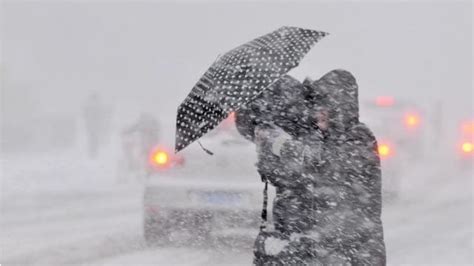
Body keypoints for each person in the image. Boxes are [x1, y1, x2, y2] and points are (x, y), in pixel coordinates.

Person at [238, 70, 386, 265]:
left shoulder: (358, 137)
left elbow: (322, 166)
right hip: (311, 247)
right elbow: (290, 177)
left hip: (349, 250)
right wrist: (267, 149)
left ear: (342, 108)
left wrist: (281, 145)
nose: (320, 114)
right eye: (317, 108)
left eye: (326, 108)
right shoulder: (316, 137)